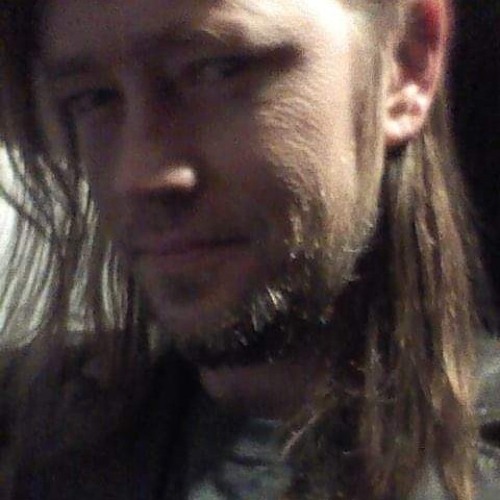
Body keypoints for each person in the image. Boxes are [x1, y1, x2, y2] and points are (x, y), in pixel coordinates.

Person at [0, 0, 498, 498]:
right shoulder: (36, 429)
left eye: (219, 69)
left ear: (406, 61)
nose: (136, 175)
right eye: (92, 98)